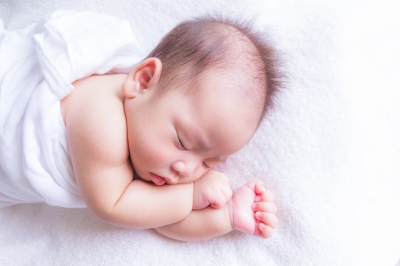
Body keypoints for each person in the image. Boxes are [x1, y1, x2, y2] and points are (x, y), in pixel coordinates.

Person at [0, 10, 281, 241]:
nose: (188, 169)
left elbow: (159, 218)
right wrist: (191, 194)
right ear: (144, 81)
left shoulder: (153, 139)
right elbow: (115, 206)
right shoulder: (100, 115)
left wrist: (226, 216)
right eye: (183, 142)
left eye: (208, 163)